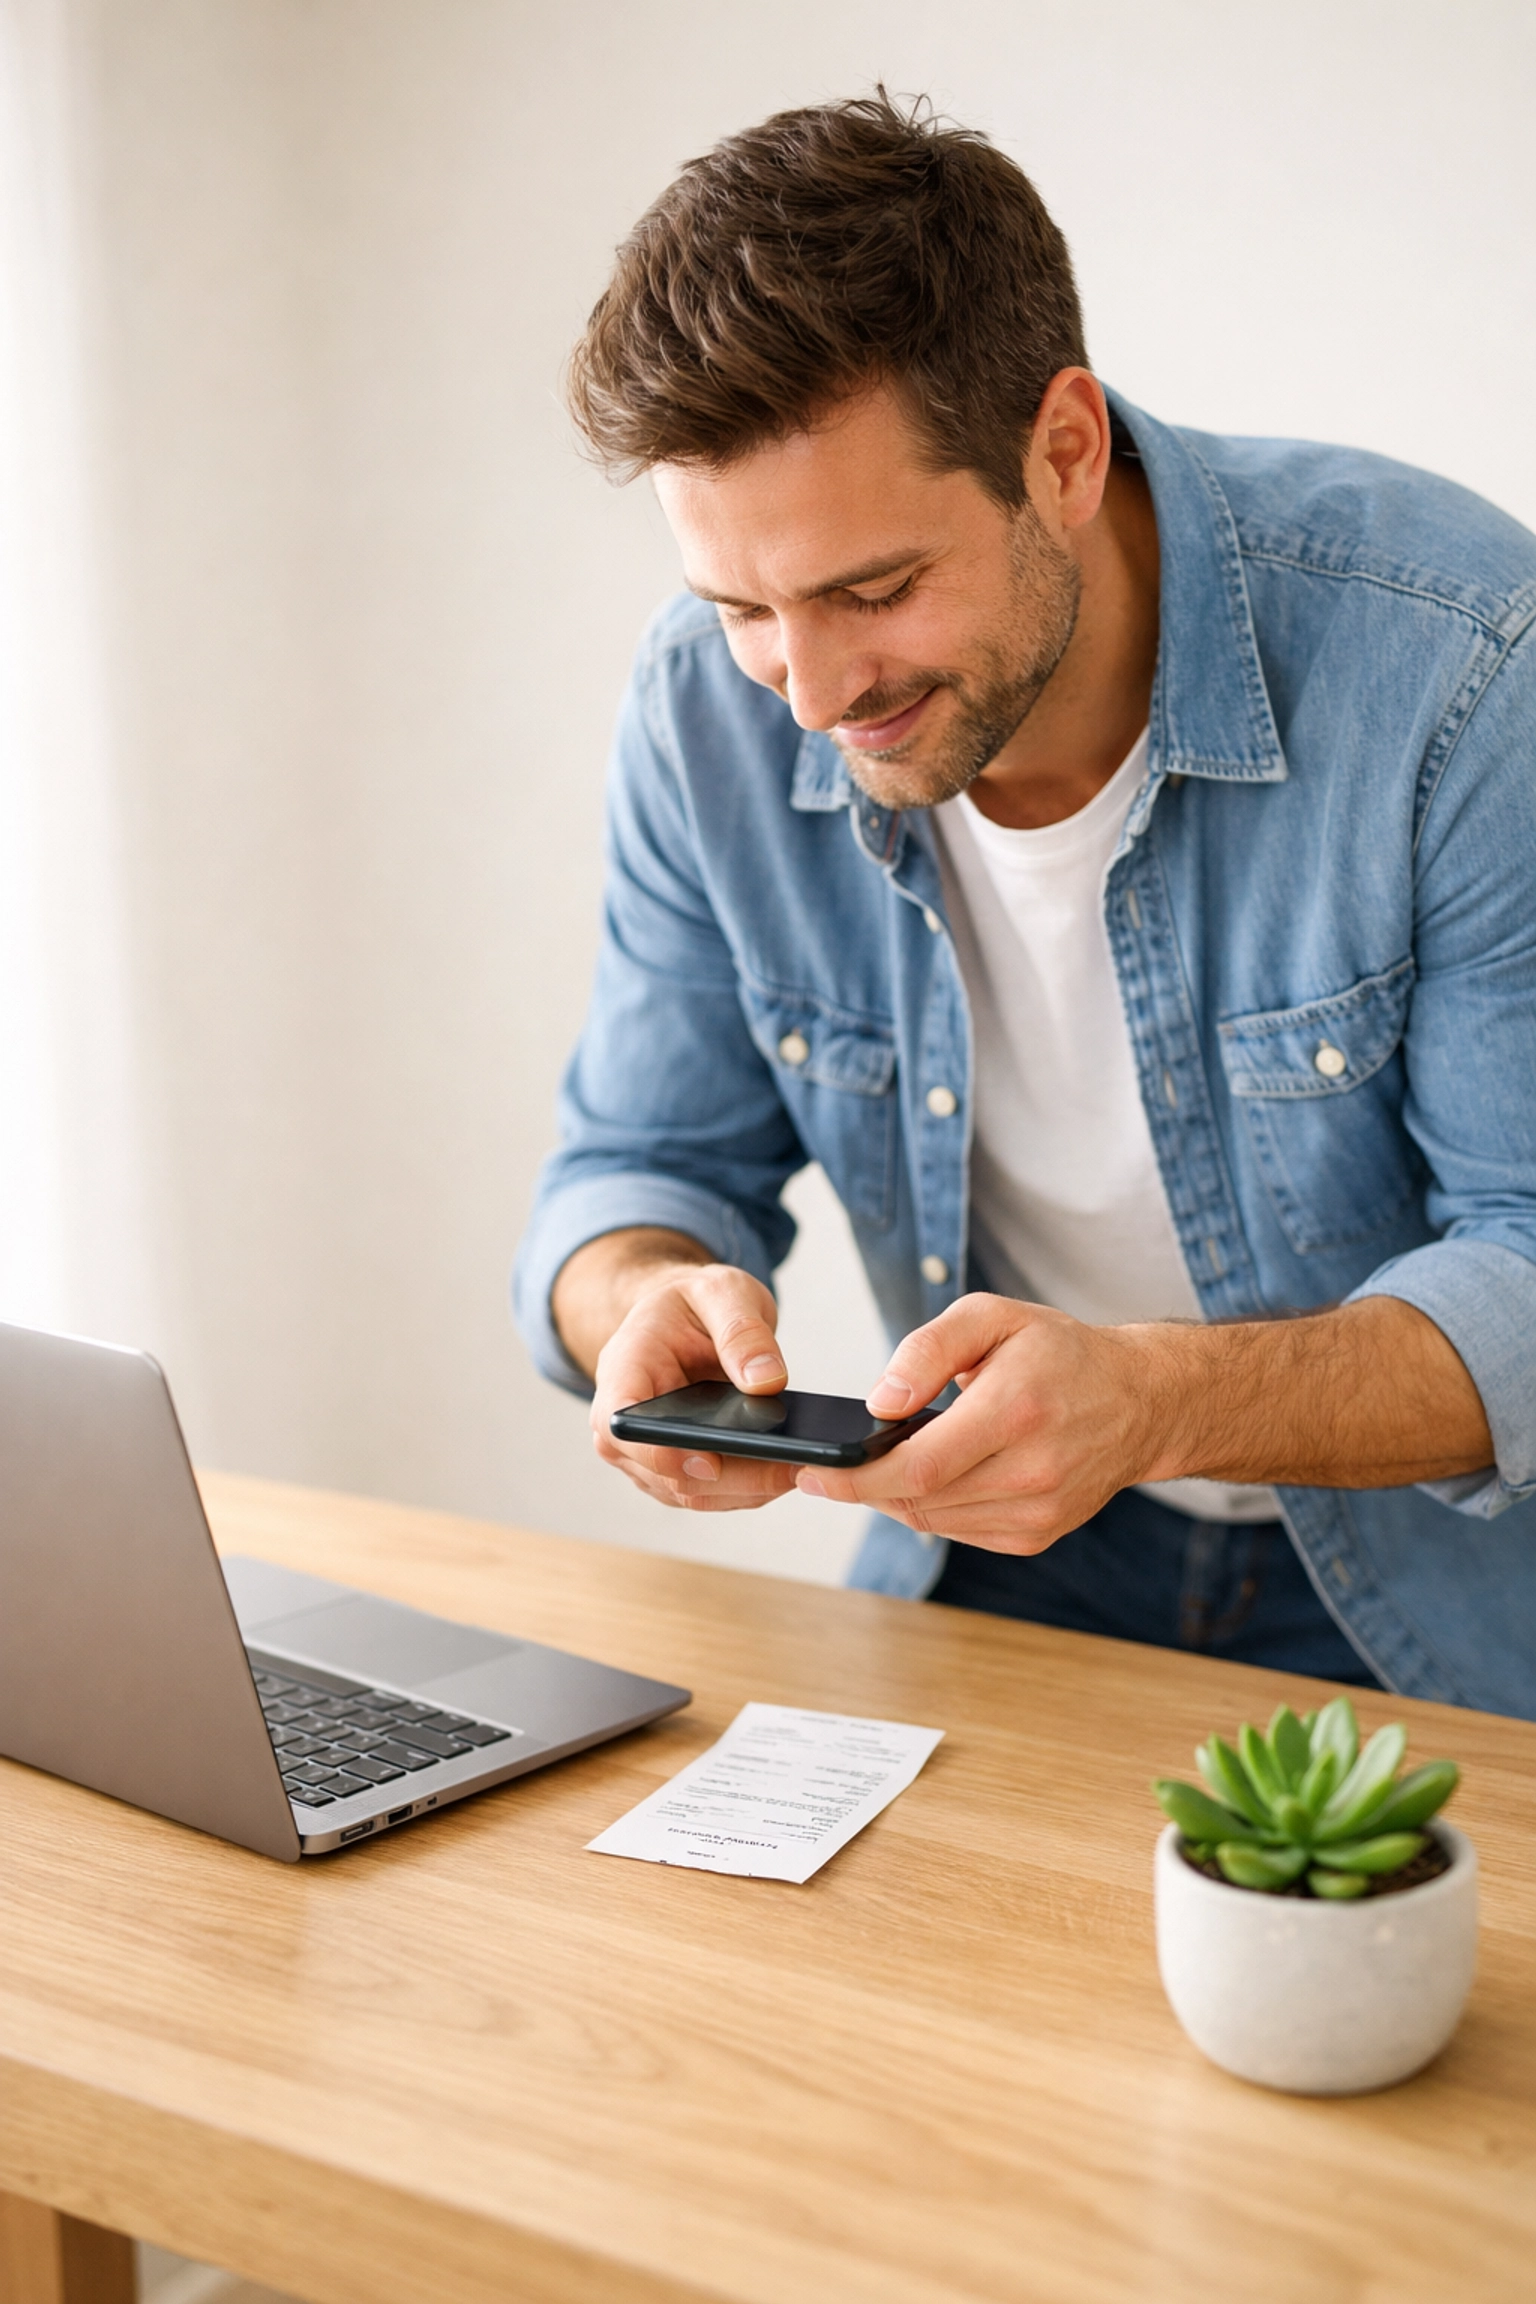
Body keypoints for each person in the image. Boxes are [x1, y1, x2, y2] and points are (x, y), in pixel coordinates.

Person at [514, 93, 1536, 1716]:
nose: (812, 695)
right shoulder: (702, 710)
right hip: (997, 1546)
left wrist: (1157, 1403)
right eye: (743, 608)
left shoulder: (1464, 673)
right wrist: (642, 1302)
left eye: (872, 589)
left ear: (1062, 451)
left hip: (1445, 1591)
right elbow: (636, 1169)